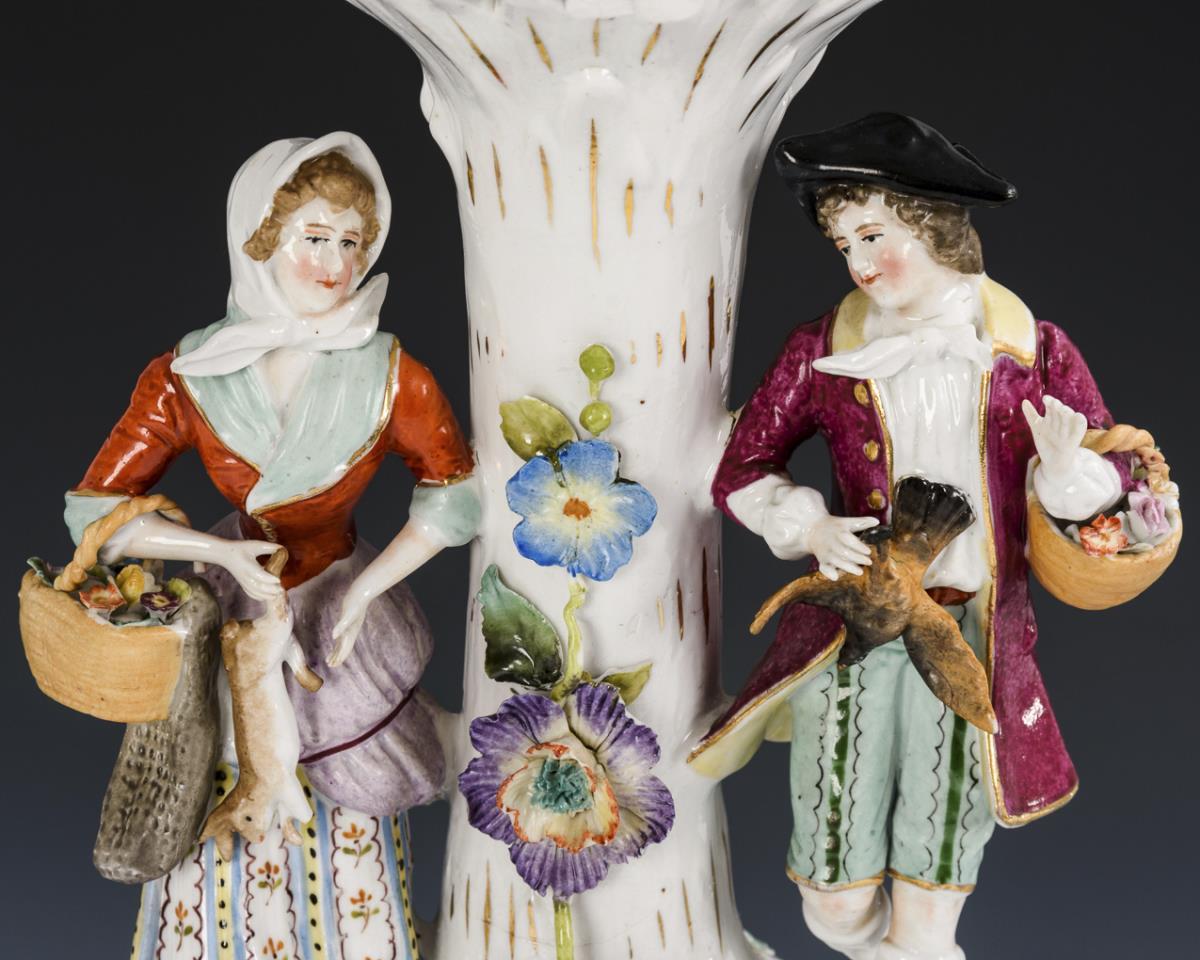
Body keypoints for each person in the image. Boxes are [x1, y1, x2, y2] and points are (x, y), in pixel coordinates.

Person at [691, 114, 1136, 959]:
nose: (859, 263)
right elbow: (740, 468)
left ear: (933, 227)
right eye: (843, 244)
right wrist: (808, 523)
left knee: (935, 873)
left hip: (970, 634)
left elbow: (1121, 477)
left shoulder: (1032, 351)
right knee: (832, 898)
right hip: (856, 626)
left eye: (873, 235)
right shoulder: (822, 350)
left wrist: (1070, 475)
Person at [65, 132, 478, 959]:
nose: (335, 264)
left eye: (352, 242)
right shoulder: (192, 371)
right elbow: (96, 510)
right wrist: (216, 555)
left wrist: (368, 590)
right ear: (258, 238)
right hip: (235, 600)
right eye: (313, 238)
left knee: (355, 784)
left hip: (339, 595)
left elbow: (456, 495)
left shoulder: (389, 371)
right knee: (214, 774)